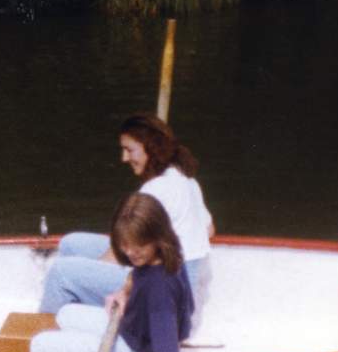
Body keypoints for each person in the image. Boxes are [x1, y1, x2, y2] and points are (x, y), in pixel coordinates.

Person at [31, 192, 193, 352]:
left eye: (137, 246)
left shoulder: (160, 291)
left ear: (157, 236)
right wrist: (124, 292)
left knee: (39, 345)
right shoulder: (166, 252)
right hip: (132, 327)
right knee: (65, 314)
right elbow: (138, 275)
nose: (129, 252)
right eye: (125, 244)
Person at [39, 114, 214, 315]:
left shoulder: (155, 190)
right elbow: (208, 230)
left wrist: (87, 275)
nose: (124, 158)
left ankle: (42, 331)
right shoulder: (186, 179)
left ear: (151, 148)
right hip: (180, 278)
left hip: (166, 289)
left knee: (61, 272)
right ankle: (74, 307)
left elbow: (114, 258)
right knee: (71, 243)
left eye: (129, 150)